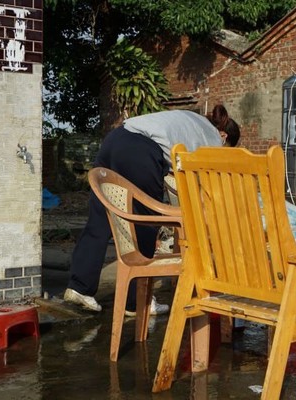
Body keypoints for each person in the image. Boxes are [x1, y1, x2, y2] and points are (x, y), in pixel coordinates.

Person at [64, 105, 241, 315]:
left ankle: (79, 287)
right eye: (227, 147)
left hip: (114, 140)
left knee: (100, 219)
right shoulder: (212, 138)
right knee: (144, 224)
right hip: (139, 152)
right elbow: (202, 182)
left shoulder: (192, 120)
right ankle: (137, 302)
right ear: (224, 136)